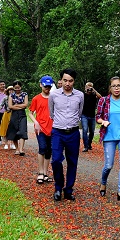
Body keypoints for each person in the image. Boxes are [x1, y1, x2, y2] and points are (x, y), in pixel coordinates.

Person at [48, 68, 84, 201]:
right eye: (65, 80)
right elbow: (52, 113)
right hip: (58, 132)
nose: (67, 83)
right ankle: (58, 187)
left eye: (70, 81)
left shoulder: (80, 95)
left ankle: (68, 189)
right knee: (56, 160)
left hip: (73, 132)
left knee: (72, 162)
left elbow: (79, 113)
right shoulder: (54, 95)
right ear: (61, 80)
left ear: (74, 81)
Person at [28, 76, 55, 184]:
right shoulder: (36, 98)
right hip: (40, 128)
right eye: (45, 86)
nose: (47, 88)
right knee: (42, 148)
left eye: (49, 86)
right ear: (40, 85)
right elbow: (30, 112)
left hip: (52, 127)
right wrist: (36, 122)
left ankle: (45, 172)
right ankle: (40, 172)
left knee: (49, 150)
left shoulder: (54, 97)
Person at [6, 80, 28, 155]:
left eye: (18, 88)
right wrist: (19, 106)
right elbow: (10, 106)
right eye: (16, 88)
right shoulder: (11, 95)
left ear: (21, 87)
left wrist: (15, 106)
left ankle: (21, 149)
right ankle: (17, 148)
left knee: (22, 131)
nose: (17, 89)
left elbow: (25, 105)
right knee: (14, 131)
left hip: (22, 115)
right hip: (14, 114)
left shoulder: (25, 94)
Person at [81, 82, 101, 152]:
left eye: (90, 87)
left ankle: (89, 144)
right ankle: (85, 146)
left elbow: (100, 97)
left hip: (92, 116)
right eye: (87, 87)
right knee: (85, 130)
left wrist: (93, 90)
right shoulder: (83, 95)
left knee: (92, 132)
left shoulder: (94, 95)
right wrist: (86, 90)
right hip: (84, 115)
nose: (89, 88)